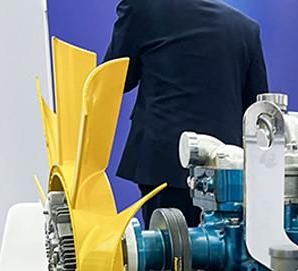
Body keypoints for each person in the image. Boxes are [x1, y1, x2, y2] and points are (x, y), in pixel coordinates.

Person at [105, 0, 269, 225]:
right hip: (225, 169)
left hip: (163, 162)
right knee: (224, 244)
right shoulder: (245, 28)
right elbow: (257, 110)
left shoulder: (141, 7)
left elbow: (114, 78)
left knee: (164, 244)